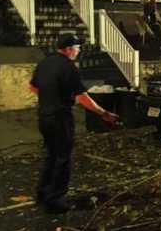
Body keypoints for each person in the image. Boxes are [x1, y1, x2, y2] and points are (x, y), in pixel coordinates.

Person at [29, 34, 119, 213]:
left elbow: (33, 87)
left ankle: (42, 194)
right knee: (63, 158)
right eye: (77, 48)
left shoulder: (44, 64)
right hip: (60, 118)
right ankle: (56, 201)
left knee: (51, 155)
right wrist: (104, 113)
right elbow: (81, 97)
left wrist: (49, 96)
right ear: (69, 49)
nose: (78, 52)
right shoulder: (69, 68)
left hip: (44, 116)